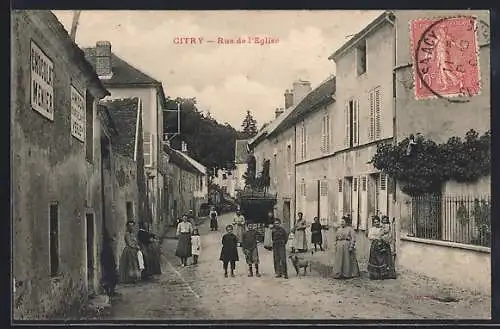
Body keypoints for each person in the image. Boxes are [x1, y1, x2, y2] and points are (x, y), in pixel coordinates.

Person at [367, 216, 397, 280]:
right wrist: (376, 237)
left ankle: (383, 274)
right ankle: (374, 274)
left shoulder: (382, 228)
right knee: (374, 259)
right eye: (375, 222)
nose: (376, 223)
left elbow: (385, 234)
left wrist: (380, 237)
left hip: (382, 245)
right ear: (373, 223)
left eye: (377, 222)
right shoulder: (371, 229)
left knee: (382, 260)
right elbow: (370, 236)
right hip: (374, 245)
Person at [333, 215, 360, 279]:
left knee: (347, 259)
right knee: (339, 260)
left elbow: (353, 238)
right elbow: (335, 238)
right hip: (339, 246)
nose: (342, 223)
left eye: (343, 221)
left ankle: (347, 273)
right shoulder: (339, 229)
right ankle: (339, 273)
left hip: (347, 245)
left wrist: (351, 246)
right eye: (341, 221)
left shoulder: (350, 229)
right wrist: (335, 245)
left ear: (346, 222)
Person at [100, 228, 118, 296]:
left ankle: (110, 291)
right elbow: (110, 258)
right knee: (112, 278)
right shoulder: (107, 248)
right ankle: (110, 291)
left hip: (108, 263)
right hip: (108, 263)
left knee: (110, 277)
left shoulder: (106, 247)